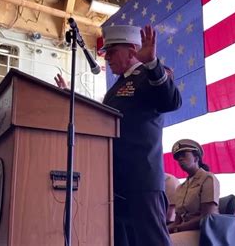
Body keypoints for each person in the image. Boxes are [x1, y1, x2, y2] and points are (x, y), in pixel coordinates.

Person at [55, 24, 182, 245]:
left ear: (132, 50)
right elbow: (104, 117)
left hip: (141, 177)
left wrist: (152, 63)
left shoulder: (151, 74)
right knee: (120, 240)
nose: (107, 58)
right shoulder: (117, 87)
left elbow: (171, 101)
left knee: (152, 240)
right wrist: (71, 97)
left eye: (112, 52)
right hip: (115, 179)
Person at [167, 139, 220, 246]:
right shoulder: (181, 187)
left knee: (163, 242)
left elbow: (207, 216)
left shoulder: (208, 178)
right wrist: (162, 229)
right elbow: (177, 220)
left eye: (184, 155)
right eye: (178, 158)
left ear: (196, 158)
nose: (180, 159)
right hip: (183, 231)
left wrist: (177, 228)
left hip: (202, 232)